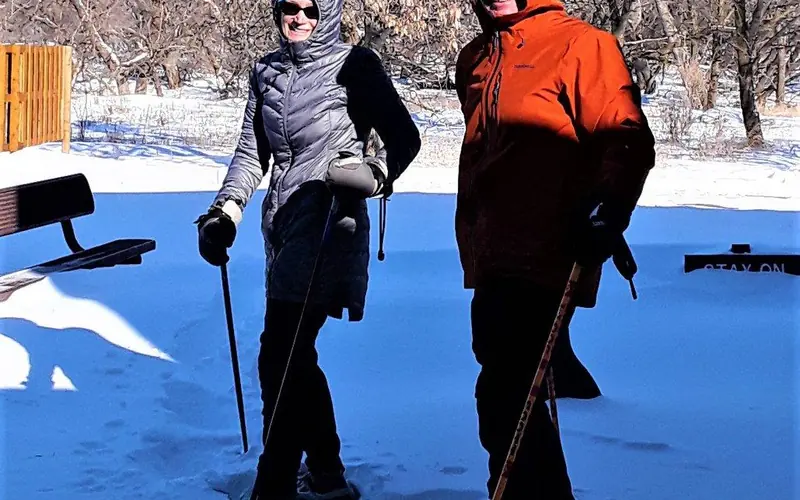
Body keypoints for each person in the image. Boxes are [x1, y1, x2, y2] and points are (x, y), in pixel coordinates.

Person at [194, 0, 421, 497]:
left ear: (329, 13)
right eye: (288, 7)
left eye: (310, 9)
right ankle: (326, 473)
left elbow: (404, 138)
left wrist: (375, 175)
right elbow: (251, 154)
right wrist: (225, 212)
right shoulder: (266, 72)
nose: (297, 17)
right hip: (282, 229)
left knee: (280, 354)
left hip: (329, 226)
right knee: (295, 355)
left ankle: (272, 486)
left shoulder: (355, 66)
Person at [454, 0, 656, 498]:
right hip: (493, 253)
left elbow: (627, 138)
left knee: (504, 395)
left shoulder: (582, 45)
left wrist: (607, 208)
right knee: (508, 394)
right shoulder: (477, 57)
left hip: (551, 251)